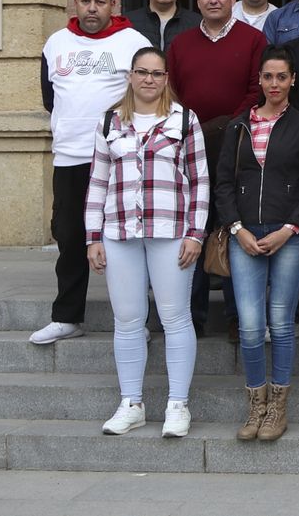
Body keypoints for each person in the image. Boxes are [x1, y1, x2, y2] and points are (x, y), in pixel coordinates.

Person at [84, 47, 208, 437]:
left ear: (166, 77)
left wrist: (196, 233)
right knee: (127, 320)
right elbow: (98, 182)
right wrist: (92, 236)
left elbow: (200, 180)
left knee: (174, 318)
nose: (149, 80)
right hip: (119, 232)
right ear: (131, 76)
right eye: (142, 72)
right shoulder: (109, 122)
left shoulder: (184, 120)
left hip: (171, 232)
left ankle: (177, 405)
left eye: (157, 73)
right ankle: (131, 403)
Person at [33, 0, 151, 346]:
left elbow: (147, 94)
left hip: (117, 159)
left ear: (112, 5)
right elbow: (51, 99)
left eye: (100, 2)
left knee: (123, 240)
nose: (92, 9)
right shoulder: (56, 43)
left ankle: (132, 322)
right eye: (86, 1)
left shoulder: (133, 42)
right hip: (69, 157)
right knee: (68, 236)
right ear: (76, 2)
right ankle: (67, 317)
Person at [215, 46, 299, 442]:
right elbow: (224, 183)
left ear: (292, 80)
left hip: (289, 235)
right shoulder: (239, 125)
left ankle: (278, 405)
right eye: (268, 77)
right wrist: (237, 228)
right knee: (251, 324)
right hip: (246, 233)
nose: (274, 84)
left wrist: (290, 228)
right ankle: (255, 403)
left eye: (281, 77)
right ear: (259, 80)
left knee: (280, 321)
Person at [167, 0, 265, 336]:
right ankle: (191, 317)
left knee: (234, 229)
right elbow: (171, 91)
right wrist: (192, 127)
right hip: (188, 148)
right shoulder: (180, 44)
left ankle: (239, 317)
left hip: (236, 147)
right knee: (192, 230)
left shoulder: (253, 39)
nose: (213, 0)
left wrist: (228, 126)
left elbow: (258, 90)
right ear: (196, 0)